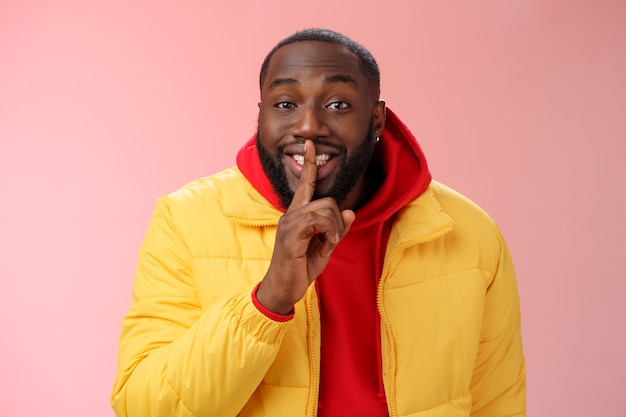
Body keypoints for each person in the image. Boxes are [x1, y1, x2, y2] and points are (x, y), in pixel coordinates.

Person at [111, 28, 526, 417]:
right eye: (286, 104)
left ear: (377, 119)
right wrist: (268, 300)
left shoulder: (468, 231)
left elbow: (497, 401)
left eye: (338, 104)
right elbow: (144, 405)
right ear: (261, 116)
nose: (308, 126)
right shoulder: (185, 220)